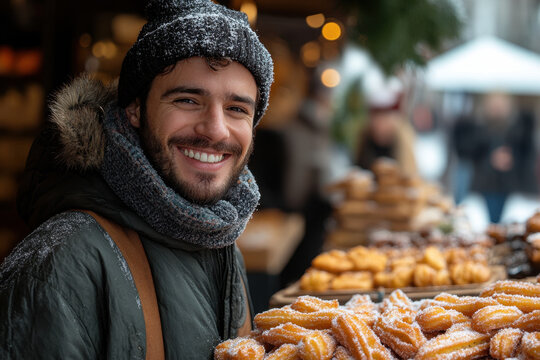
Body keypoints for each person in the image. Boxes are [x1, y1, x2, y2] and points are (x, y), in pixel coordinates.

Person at [0, 0, 273, 358]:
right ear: (135, 110)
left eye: (237, 109)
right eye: (188, 100)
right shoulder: (61, 263)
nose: (215, 130)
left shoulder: (219, 239)